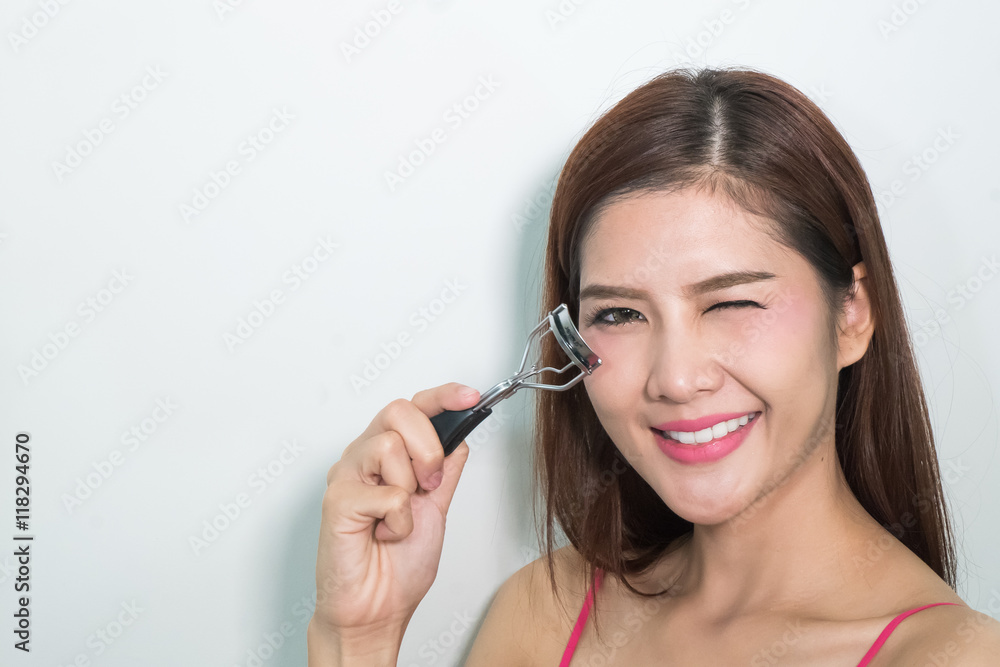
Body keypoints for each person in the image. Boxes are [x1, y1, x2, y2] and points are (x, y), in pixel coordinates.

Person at [307, 67, 1000, 665]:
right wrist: (358, 636)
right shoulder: (544, 616)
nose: (675, 376)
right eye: (620, 314)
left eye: (731, 301)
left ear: (852, 315)